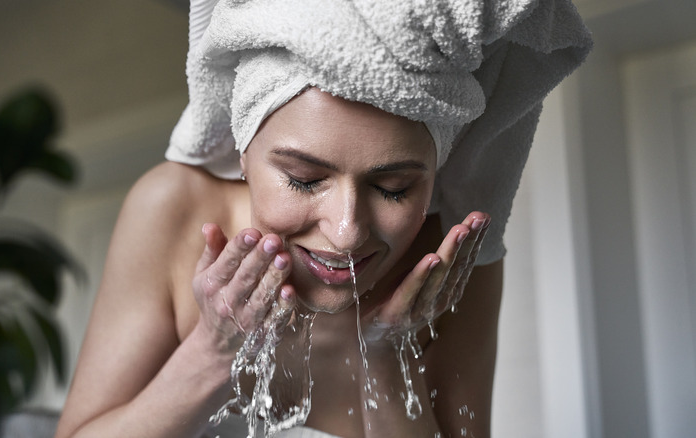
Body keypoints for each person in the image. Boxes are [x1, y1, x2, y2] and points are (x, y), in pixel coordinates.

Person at [55, 1, 591, 437]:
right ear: (243, 151)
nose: (347, 230)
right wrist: (213, 352)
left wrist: (387, 353)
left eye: (393, 188)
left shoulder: (446, 260)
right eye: (305, 180)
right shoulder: (171, 210)